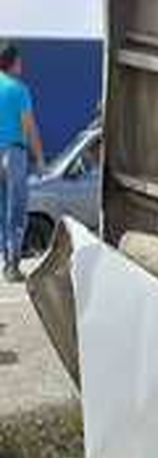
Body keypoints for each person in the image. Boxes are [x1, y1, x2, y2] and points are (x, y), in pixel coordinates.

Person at [0, 42, 45, 282]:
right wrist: (39, 158)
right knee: (16, 211)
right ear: (13, 62)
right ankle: (12, 266)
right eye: (20, 60)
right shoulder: (19, 89)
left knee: (1, 210)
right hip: (14, 153)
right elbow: (29, 127)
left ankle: (5, 260)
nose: (22, 64)